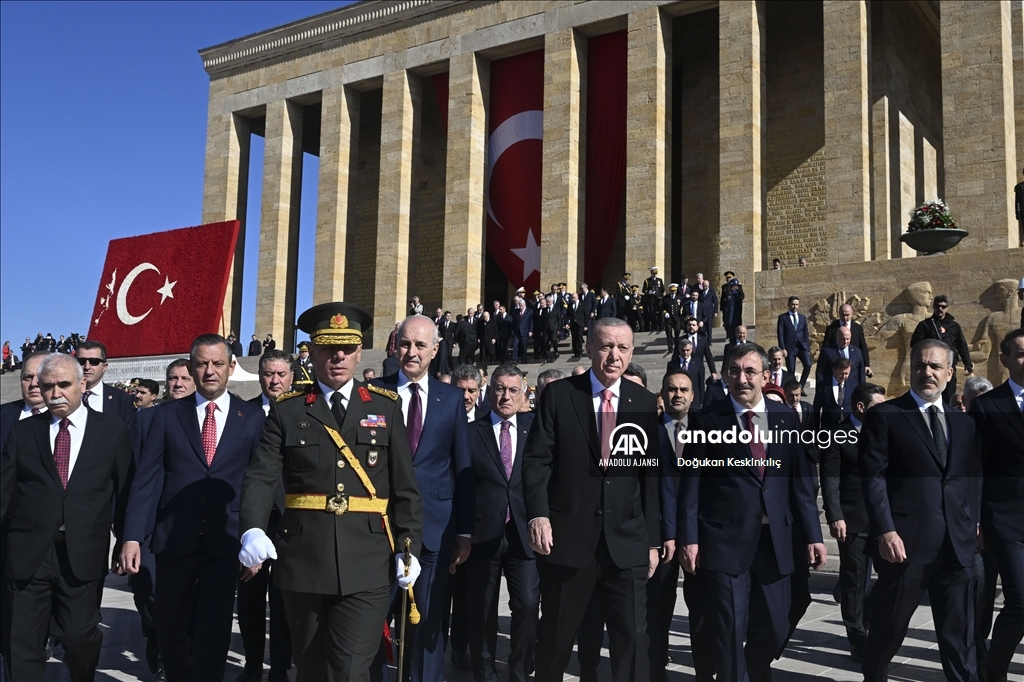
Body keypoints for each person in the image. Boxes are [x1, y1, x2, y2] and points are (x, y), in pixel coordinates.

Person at [236, 304, 422, 681]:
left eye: (348, 348)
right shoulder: (287, 412)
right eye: (328, 347)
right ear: (313, 351)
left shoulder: (384, 410)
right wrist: (253, 528)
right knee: (310, 668)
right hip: (304, 562)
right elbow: (261, 476)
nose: (338, 356)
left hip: (367, 564)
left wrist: (409, 547)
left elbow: (405, 488)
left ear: (358, 352)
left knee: (349, 669)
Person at [120, 334, 267, 682]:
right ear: (192, 366)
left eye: (218, 364)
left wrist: (256, 541)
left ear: (231, 367)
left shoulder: (251, 418)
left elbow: (258, 484)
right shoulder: (166, 415)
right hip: (174, 541)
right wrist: (131, 537)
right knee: (169, 630)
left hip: (225, 541)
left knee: (214, 632)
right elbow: (146, 479)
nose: (210, 371)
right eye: (202, 364)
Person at [522, 317, 660, 681]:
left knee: (632, 638)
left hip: (626, 541)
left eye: (623, 348)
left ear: (631, 353)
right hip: (570, 538)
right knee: (555, 638)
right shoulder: (561, 394)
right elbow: (537, 462)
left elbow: (649, 478)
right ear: (589, 347)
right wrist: (538, 515)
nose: (614, 355)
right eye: (606, 346)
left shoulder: (644, 402)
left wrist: (652, 541)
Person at [677, 342, 825, 681]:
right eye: (734, 371)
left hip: (776, 541)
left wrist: (814, 536)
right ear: (726, 373)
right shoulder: (707, 418)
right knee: (729, 629)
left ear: (765, 375)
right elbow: (692, 486)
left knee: (776, 625)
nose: (741, 378)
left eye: (749, 371)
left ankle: (754, 669)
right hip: (724, 540)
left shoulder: (787, 417)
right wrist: (690, 538)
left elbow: (801, 484)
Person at [1, 353, 133, 681]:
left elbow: (125, 490)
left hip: (82, 553)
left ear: (82, 384)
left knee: (78, 636)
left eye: (64, 384)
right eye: (47, 386)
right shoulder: (23, 432)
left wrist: (128, 539)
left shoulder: (112, 431)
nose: (55, 392)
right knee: (22, 643)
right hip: (27, 553)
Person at [859, 339, 981, 681]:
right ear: (910, 369)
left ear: (949, 373)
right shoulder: (886, 415)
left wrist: (973, 522)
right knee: (889, 629)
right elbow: (874, 478)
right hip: (905, 544)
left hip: (957, 547)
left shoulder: (964, 424)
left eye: (935, 366)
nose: (926, 372)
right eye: (920, 365)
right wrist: (885, 529)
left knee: (960, 637)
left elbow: (969, 478)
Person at [373, 315, 473, 682]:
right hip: (379, 527)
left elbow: (462, 466)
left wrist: (464, 531)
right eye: (405, 344)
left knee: (427, 619)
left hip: (435, 527)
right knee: (374, 621)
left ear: (435, 350)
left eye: (419, 345)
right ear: (394, 346)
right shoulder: (374, 394)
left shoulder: (450, 399)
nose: (411, 352)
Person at [465, 364, 538, 682]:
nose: (505, 396)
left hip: (522, 532)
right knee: (482, 610)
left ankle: (519, 671)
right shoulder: (470, 431)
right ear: (488, 390)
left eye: (512, 390)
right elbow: (461, 487)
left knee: (527, 604)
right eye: (499, 389)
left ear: (523, 394)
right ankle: (485, 672)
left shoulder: (534, 430)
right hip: (483, 534)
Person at [968, 328, 1024, 682]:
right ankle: (995, 669)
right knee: (1020, 599)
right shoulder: (988, 406)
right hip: (1005, 520)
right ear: (1004, 360)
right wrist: (975, 520)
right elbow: (974, 467)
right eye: (1019, 353)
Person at [236, 350, 295, 682]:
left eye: (281, 374)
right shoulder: (243, 414)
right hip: (254, 521)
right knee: (250, 598)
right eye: (268, 374)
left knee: (285, 600)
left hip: (289, 521)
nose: (274, 380)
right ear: (259, 376)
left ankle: (281, 667)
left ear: (291, 376)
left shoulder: (304, 411)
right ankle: (253, 663)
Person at [820, 382, 886, 663]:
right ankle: (857, 638)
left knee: (893, 579)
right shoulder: (837, 435)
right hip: (853, 520)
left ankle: (867, 612)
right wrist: (835, 516)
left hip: (884, 520)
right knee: (854, 582)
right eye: (877, 407)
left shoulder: (886, 433)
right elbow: (830, 478)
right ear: (860, 407)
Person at [652, 370, 694, 681]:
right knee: (659, 604)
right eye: (671, 389)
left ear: (693, 396)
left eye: (684, 389)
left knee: (702, 604)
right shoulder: (647, 432)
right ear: (663, 394)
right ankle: (656, 665)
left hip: (698, 535)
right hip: (659, 534)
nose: (677, 394)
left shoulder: (709, 432)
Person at [910, 295, 973, 402]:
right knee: (929, 391)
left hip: (949, 364)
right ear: (933, 307)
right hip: (931, 365)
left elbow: (962, 345)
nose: (940, 309)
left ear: (947, 308)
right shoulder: (925, 325)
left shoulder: (954, 326)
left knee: (949, 393)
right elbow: (915, 344)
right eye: (937, 306)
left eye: (943, 307)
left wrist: (967, 363)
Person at [75, 340, 137, 429]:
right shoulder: (63, 395)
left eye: (94, 362)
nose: (87, 367)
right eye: (81, 361)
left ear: (104, 367)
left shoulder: (122, 400)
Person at [822, 304, 873, 378]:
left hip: (853, 363)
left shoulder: (857, 328)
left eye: (847, 315)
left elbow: (863, 346)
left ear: (852, 314)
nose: (845, 317)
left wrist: (867, 365)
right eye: (843, 315)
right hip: (837, 364)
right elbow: (826, 346)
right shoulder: (831, 328)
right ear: (839, 313)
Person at [776, 296, 812, 386]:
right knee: (791, 370)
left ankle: (801, 386)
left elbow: (805, 333)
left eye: (796, 304)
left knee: (808, 365)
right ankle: (791, 388)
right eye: (793, 304)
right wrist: (783, 348)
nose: (795, 306)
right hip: (789, 347)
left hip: (801, 346)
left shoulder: (802, 318)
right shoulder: (783, 317)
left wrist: (807, 348)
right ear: (788, 305)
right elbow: (780, 333)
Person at [813, 357, 854, 428]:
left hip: (848, 429)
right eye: (841, 373)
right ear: (834, 370)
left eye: (846, 374)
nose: (844, 376)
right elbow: (816, 409)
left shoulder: (853, 385)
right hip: (828, 429)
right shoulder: (823, 386)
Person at [661, 284, 684, 353]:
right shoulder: (665, 298)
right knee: (668, 333)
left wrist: (681, 313)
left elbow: (682, 305)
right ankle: (670, 348)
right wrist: (665, 312)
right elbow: (661, 307)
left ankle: (677, 345)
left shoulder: (679, 297)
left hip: (677, 317)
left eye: (674, 291)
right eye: (672, 291)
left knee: (677, 331)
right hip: (669, 318)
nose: (673, 292)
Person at [721, 276, 745, 344]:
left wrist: (728, 321)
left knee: (733, 338)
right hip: (735, 320)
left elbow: (730, 310)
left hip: (732, 320)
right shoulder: (733, 295)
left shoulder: (733, 296)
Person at [642, 266, 665, 333]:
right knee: (652, 314)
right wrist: (649, 292)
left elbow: (662, 289)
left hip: (658, 300)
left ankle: (659, 327)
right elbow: (644, 290)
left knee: (658, 314)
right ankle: (653, 327)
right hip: (651, 300)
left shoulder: (659, 280)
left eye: (655, 274)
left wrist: (662, 294)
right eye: (653, 273)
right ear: (651, 273)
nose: (654, 275)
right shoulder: (647, 281)